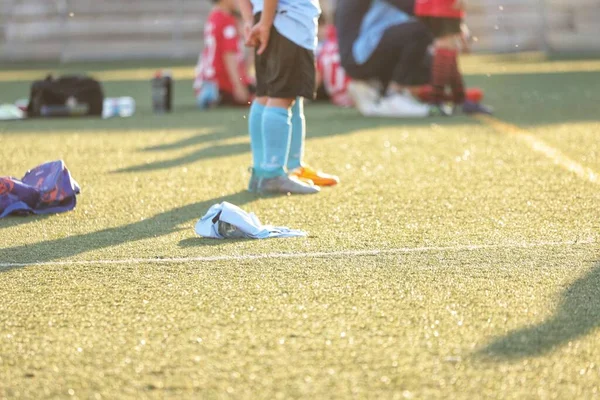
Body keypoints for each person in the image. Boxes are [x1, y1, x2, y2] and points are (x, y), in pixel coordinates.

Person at [237, 0, 339, 195]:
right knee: (282, 96)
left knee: (267, 95)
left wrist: (251, 19)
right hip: (287, 21)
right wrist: (265, 23)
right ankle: (272, 174)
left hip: (267, 16)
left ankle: (266, 171)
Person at [335, 0, 434, 117]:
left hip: (360, 55)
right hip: (359, 55)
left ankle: (375, 88)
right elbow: (414, 8)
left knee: (428, 64)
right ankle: (394, 95)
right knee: (423, 29)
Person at [194, 0, 253, 108]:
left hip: (209, 80)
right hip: (222, 82)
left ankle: (209, 94)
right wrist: (238, 86)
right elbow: (228, 55)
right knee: (265, 99)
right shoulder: (226, 20)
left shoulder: (214, 16)